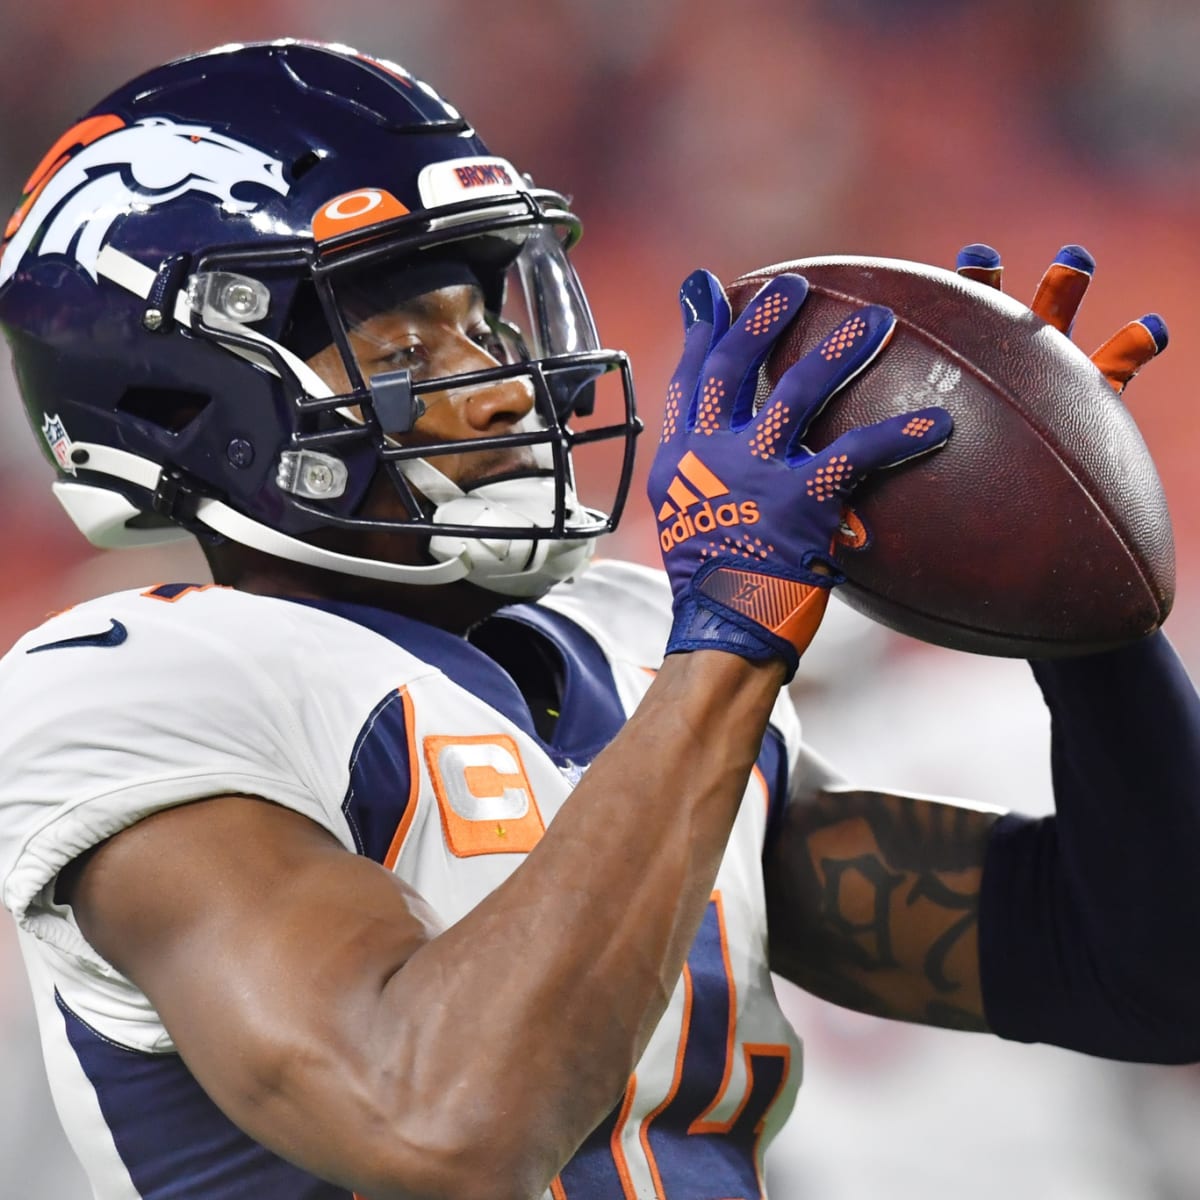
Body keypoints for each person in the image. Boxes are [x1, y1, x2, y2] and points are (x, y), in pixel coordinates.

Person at [0, 39, 1196, 1200]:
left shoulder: (614, 646)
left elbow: (1143, 972)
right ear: (187, 395)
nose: (506, 381)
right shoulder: (132, 687)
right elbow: (440, 1126)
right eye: (404, 343)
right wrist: (730, 641)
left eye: (485, 321)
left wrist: (1073, 603)